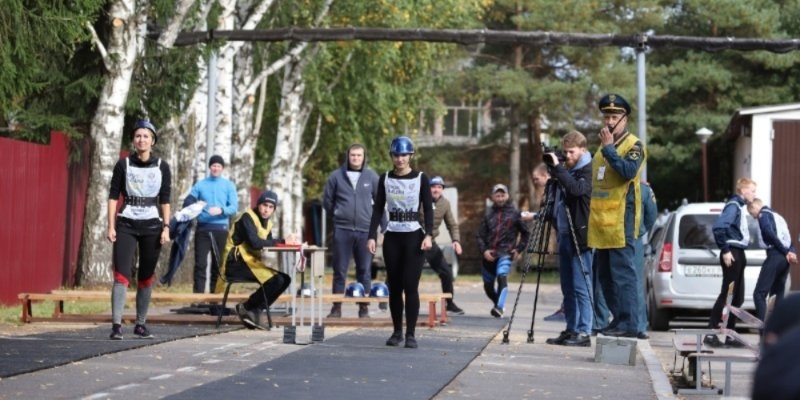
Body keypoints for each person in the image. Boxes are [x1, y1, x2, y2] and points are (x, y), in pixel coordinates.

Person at [106, 120, 171, 340]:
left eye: (146, 136)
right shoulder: (123, 165)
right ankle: (116, 325)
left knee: (145, 276)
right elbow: (113, 196)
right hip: (126, 223)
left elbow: (165, 199)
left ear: (153, 141)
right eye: (138, 136)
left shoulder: (162, 166)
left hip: (152, 225)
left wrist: (166, 227)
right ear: (133, 140)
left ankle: (140, 324)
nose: (141, 140)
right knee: (121, 275)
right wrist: (111, 225)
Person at [589, 93, 647, 338]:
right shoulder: (601, 148)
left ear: (625, 118)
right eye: (606, 116)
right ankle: (618, 318)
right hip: (601, 224)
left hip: (621, 221)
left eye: (614, 116)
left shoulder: (634, 146)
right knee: (605, 277)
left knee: (624, 276)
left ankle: (630, 324)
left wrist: (610, 149)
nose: (610, 121)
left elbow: (627, 171)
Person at [367, 136, 433, 349]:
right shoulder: (384, 178)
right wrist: (372, 235)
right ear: (392, 156)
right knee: (394, 286)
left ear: (410, 156)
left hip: (414, 235)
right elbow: (378, 209)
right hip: (392, 234)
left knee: (410, 285)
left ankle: (411, 334)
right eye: (396, 155)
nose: (400, 159)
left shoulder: (421, 178)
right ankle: (397, 332)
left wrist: (429, 234)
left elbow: (428, 208)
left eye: (404, 155)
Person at [217, 190, 299, 330]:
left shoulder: (268, 223)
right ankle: (248, 308)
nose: (267, 210)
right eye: (264, 205)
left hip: (249, 262)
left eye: (271, 207)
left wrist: (288, 243)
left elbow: (266, 243)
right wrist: (283, 241)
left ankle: (254, 310)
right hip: (234, 263)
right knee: (276, 280)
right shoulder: (247, 218)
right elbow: (255, 243)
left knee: (284, 280)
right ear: (258, 204)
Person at [541, 131, 593, 347]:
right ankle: (571, 328)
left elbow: (577, 190)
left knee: (582, 286)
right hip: (564, 232)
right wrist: (555, 171)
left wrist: (559, 169)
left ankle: (584, 331)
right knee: (568, 287)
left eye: (571, 152)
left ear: (583, 149)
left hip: (580, 234)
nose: (567, 156)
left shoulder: (588, 170)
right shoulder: (568, 170)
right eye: (564, 152)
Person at [323, 144, 381, 319]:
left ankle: (363, 309)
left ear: (364, 157)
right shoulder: (336, 176)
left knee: (364, 271)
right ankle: (336, 308)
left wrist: (381, 226)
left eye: (359, 155)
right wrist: (338, 214)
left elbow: (379, 203)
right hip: (342, 230)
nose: (356, 158)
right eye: (353, 155)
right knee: (339, 270)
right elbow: (327, 201)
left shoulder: (371, 177)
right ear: (348, 156)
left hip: (365, 231)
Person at [703, 177, 757, 347]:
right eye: (753, 190)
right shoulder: (733, 206)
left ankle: (730, 335)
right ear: (743, 191)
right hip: (732, 253)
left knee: (737, 297)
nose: (755, 194)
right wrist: (725, 250)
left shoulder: (740, 207)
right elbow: (719, 227)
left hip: (739, 252)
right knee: (727, 294)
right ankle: (711, 333)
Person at [476, 183, 531, 318]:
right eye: (497, 195)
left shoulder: (515, 213)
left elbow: (526, 233)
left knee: (502, 276)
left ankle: (499, 307)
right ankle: (498, 304)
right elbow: (479, 235)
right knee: (488, 287)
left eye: (502, 195)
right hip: (489, 255)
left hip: (506, 253)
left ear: (507, 196)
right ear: (493, 197)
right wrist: (484, 251)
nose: (500, 198)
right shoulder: (488, 213)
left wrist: (518, 249)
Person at [189, 155, 238, 293]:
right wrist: (194, 206)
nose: (216, 168)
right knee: (200, 265)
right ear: (209, 167)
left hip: (221, 230)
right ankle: (198, 300)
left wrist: (221, 210)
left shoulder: (228, 185)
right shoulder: (200, 184)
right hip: (202, 229)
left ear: (222, 168)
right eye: (213, 165)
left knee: (218, 266)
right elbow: (190, 201)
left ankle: (215, 300)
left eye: (218, 166)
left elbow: (234, 207)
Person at [746, 198, 797, 323]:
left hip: (775, 255)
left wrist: (785, 252)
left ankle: (764, 332)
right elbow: (788, 238)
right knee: (776, 297)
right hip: (785, 260)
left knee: (759, 294)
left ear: (754, 207)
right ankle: (777, 332)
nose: (754, 217)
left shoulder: (763, 215)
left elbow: (768, 232)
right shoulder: (778, 217)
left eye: (752, 214)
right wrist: (791, 252)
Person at [422, 175, 464, 315]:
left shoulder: (444, 204)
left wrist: (456, 241)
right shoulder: (419, 200)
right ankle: (397, 301)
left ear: (442, 190)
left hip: (431, 243)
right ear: (428, 188)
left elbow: (452, 224)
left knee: (446, 272)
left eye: (439, 187)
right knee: (408, 273)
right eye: (433, 187)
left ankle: (449, 303)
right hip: (415, 242)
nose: (436, 190)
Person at [528, 163, 565, 322]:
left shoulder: (557, 188)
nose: (535, 182)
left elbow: (553, 212)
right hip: (560, 234)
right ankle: (565, 308)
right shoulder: (551, 189)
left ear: (545, 176)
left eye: (536, 179)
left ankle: (567, 310)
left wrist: (536, 216)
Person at [633, 182, 658, 339]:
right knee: (604, 282)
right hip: (609, 238)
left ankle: (639, 326)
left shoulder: (643, 189)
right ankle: (600, 322)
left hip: (632, 239)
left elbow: (651, 216)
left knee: (636, 285)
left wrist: (640, 230)